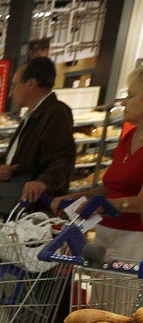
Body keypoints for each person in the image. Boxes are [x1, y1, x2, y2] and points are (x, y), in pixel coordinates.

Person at [51, 66, 143, 263]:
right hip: (106, 233)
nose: (124, 102)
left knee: (121, 293)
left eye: (131, 95)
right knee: (102, 293)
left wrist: (100, 206)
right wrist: (77, 197)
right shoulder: (129, 138)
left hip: (135, 240)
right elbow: (112, 188)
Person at [0, 57, 76, 218]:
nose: (10, 93)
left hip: (35, 209)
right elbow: (20, 156)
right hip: (16, 203)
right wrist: (0, 171)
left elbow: (63, 158)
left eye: (14, 86)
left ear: (31, 83)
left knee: (29, 243)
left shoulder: (56, 113)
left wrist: (43, 182)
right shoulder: (31, 116)